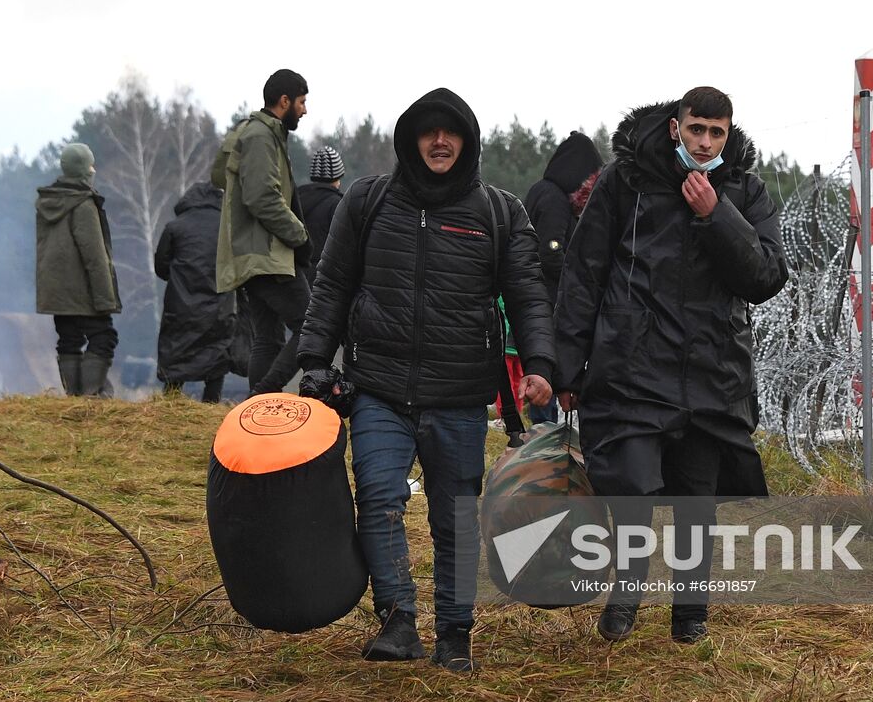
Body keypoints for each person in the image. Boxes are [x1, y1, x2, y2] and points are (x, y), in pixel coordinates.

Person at [297, 87, 555, 673]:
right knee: (379, 500)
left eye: (451, 132)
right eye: (428, 132)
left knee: (454, 519)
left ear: (467, 142)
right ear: (410, 140)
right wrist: (315, 360)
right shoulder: (367, 200)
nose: (440, 142)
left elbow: (529, 295)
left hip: (461, 394)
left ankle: (455, 635)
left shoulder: (499, 212)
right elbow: (332, 284)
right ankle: (397, 623)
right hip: (378, 388)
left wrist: (539, 366)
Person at [552, 86, 788, 645]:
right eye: (696, 129)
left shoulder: (745, 192)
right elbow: (584, 273)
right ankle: (627, 591)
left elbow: (765, 277)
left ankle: (690, 614)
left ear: (728, 136)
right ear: (675, 127)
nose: (705, 143)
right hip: (634, 364)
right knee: (631, 485)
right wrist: (567, 366)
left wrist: (717, 214)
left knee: (694, 500)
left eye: (717, 133)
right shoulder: (625, 184)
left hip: (711, 369)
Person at [212, 69, 311, 395]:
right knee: (311, 326)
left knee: (267, 337)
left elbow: (220, 177)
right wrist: (300, 236)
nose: (305, 110)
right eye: (301, 101)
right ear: (284, 101)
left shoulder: (251, 132)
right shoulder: (260, 136)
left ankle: (260, 414)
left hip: (252, 254)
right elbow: (261, 197)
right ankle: (262, 395)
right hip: (267, 255)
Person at [522, 131, 603, 425]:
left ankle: (541, 434)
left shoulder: (540, 191)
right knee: (548, 373)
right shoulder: (555, 200)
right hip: (549, 303)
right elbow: (550, 251)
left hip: (534, 300)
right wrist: (579, 275)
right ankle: (547, 439)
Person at [36, 142, 121, 397]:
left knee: (69, 340)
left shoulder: (48, 202)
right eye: (91, 165)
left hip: (57, 292)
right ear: (84, 170)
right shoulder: (83, 204)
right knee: (104, 338)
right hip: (83, 291)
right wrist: (106, 299)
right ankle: (90, 397)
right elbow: (95, 256)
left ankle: (74, 396)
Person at [154, 181, 233, 403]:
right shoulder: (227, 227)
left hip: (180, 304)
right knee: (217, 351)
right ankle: (211, 401)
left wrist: (180, 279)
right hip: (218, 304)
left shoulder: (175, 227)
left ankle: (170, 400)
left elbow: (161, 266)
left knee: (176, 350)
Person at [297, 145, 345, 287]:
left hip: (298, 277)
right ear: (337, 178)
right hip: (326, 279)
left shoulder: (296, 199)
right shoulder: (338, 204)